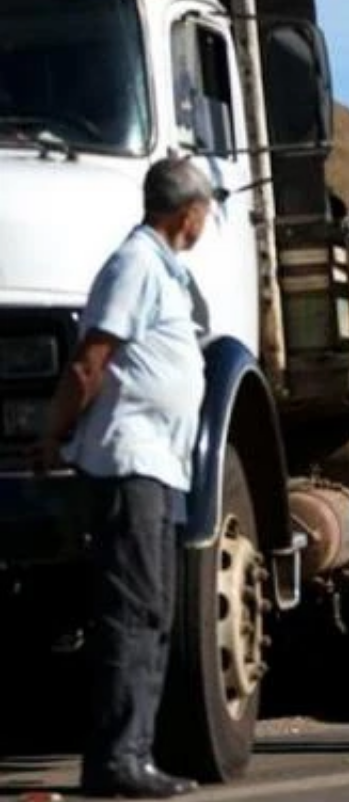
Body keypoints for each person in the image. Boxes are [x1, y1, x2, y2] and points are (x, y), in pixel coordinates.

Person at [36, 157, 212, 798]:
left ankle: (132, 752)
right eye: (206, 209)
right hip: (128, 461)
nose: (208, 220)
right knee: (134, 611)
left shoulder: (163, 269)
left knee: (153, 611)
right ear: (187, 213)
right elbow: (90, 362)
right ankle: (117, 761)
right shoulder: (136, 263)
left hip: (158, 467)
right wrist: (55, 434)